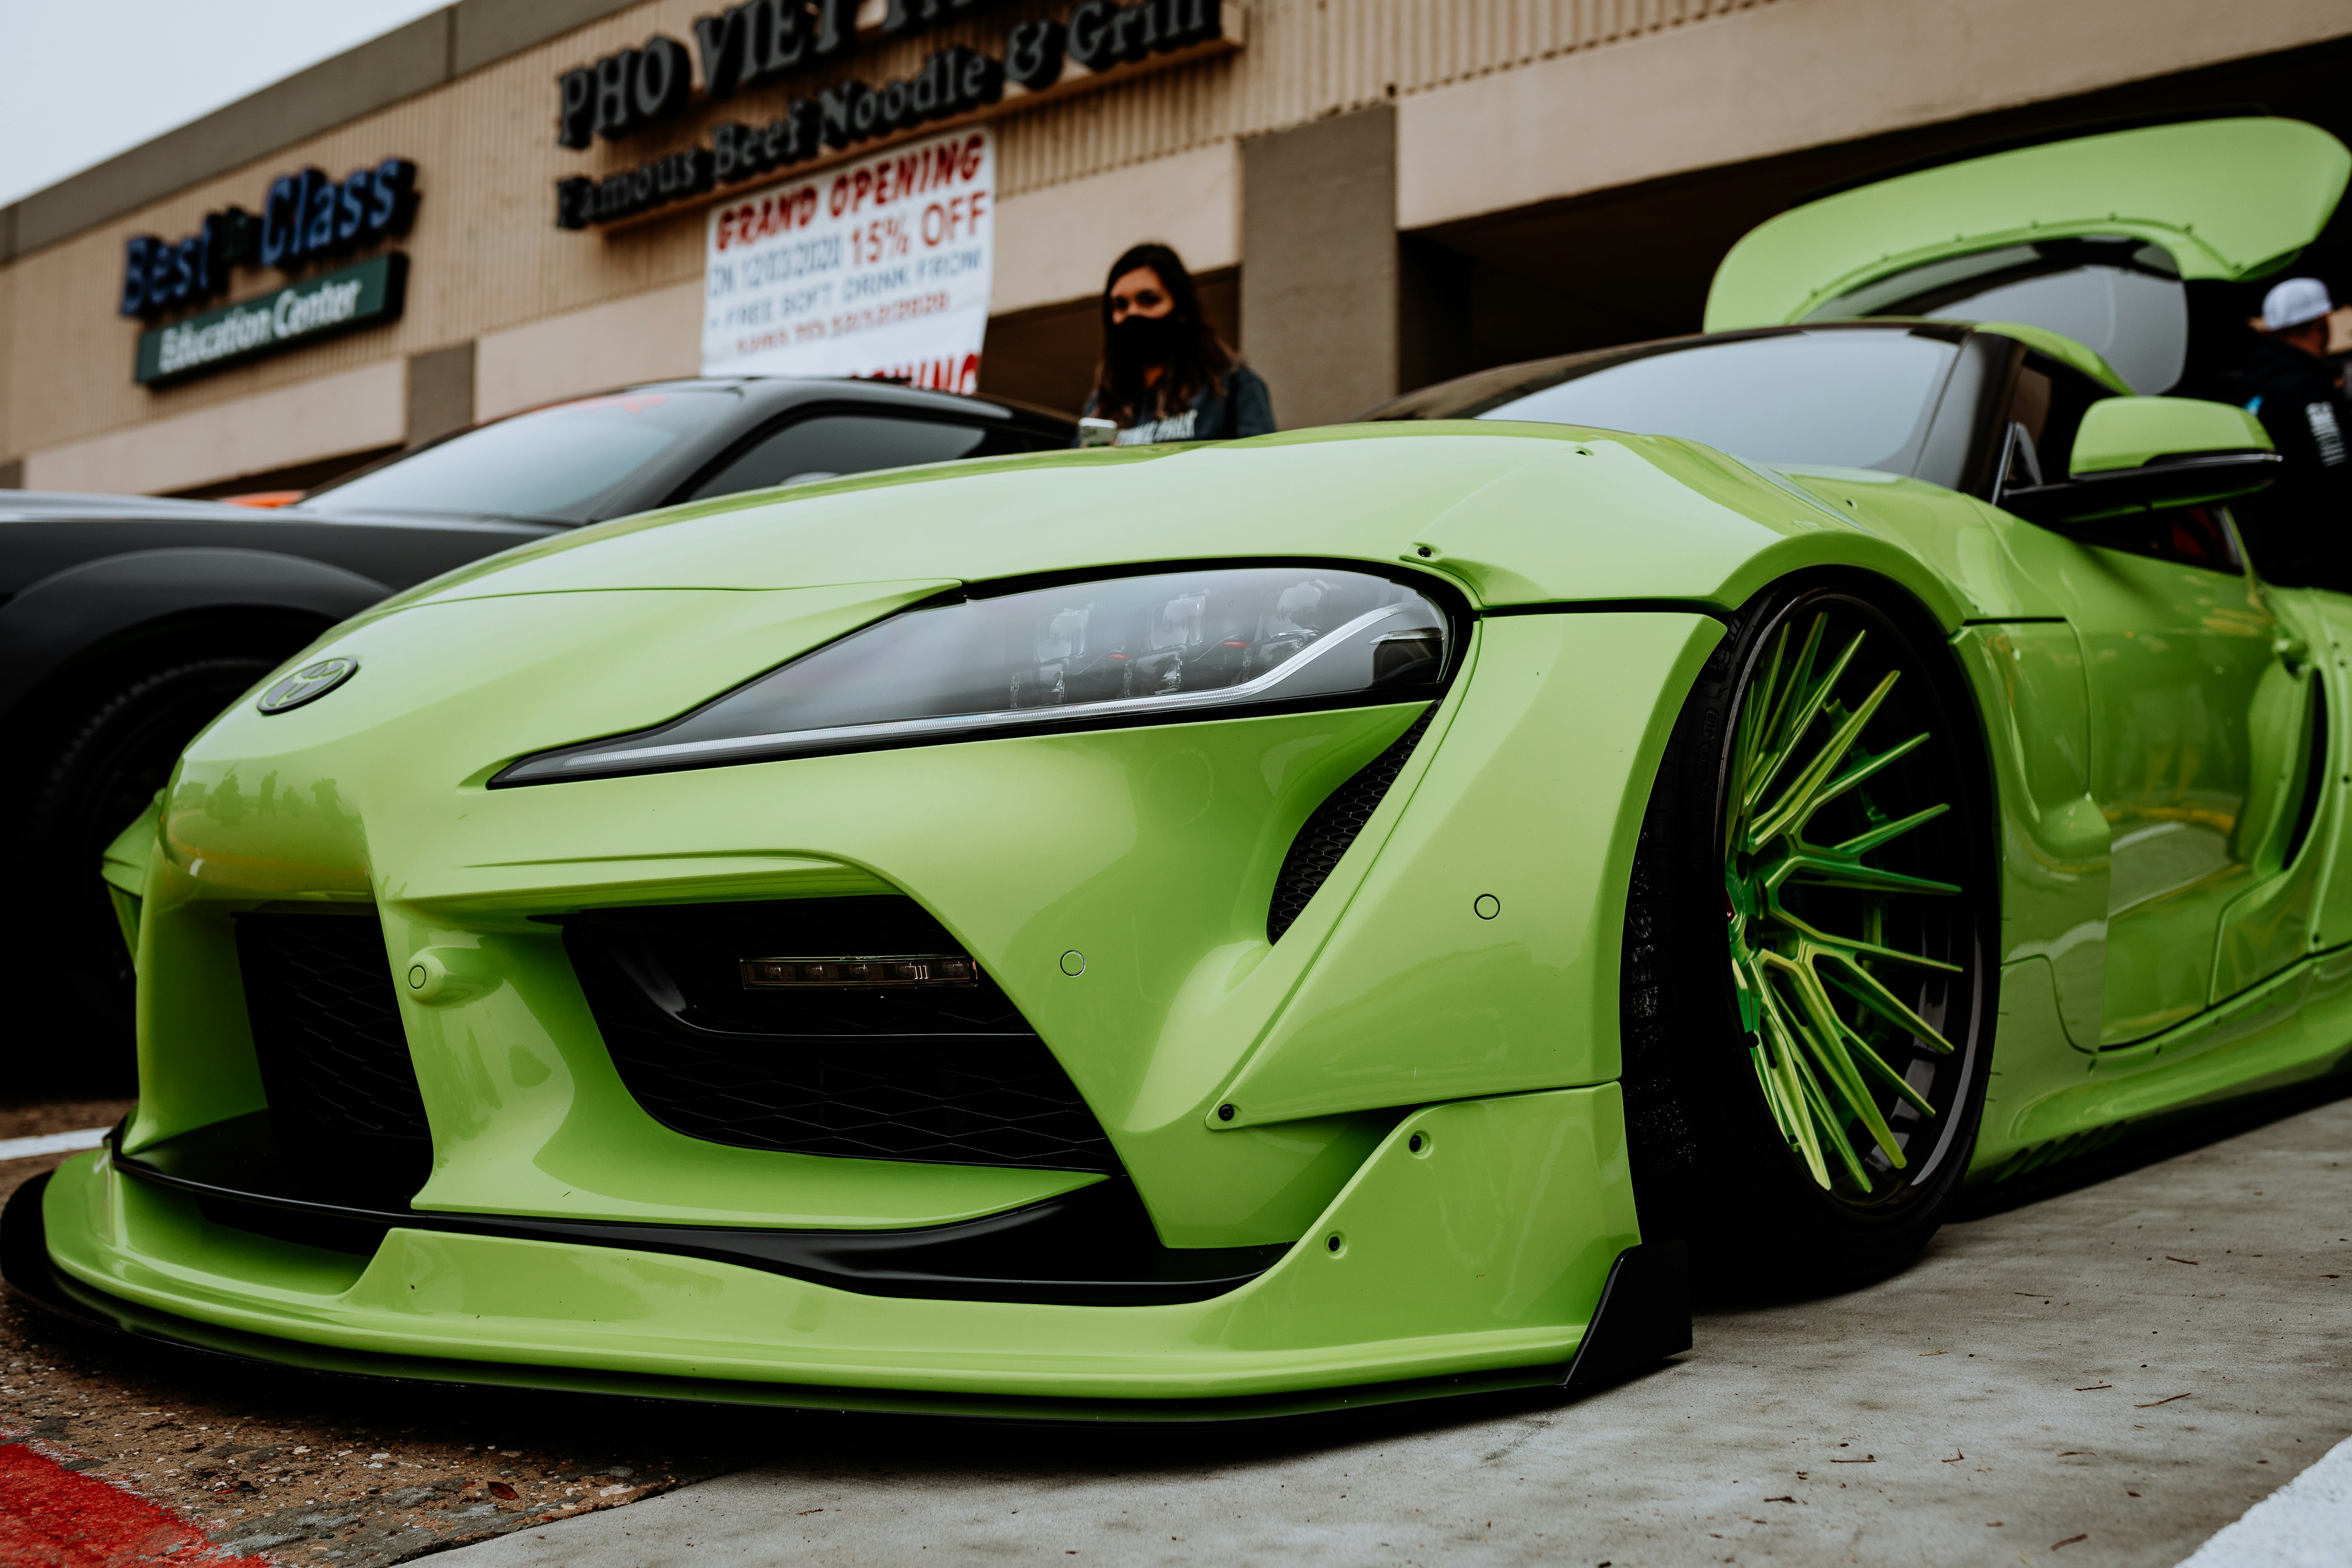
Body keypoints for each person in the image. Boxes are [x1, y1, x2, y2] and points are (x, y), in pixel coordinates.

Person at [1078, 243, 1274, 444]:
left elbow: (1262, 467)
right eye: (1121, 305)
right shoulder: (1103, 401)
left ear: (1181, 308)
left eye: (1148, 300)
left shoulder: (1232, 386)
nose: (1133, 314)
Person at [2234, 276, 2351, 586]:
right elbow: (2331, 475)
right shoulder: (2304, 389)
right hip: (2313, 569)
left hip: (2265, 564)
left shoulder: (2249, 393)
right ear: (2322, 323)